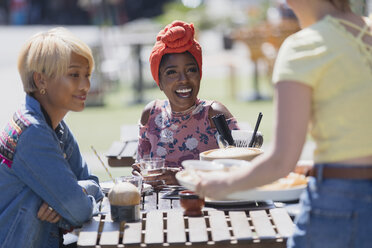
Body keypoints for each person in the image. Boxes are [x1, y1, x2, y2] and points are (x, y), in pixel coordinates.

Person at [196, 1, 372, 247]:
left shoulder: (303, 47)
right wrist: (317, 166)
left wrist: (218, 185)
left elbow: (281, 161)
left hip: (339, 204)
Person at [0, 27, 104, 248]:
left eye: (87, 75)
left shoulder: (57, 127)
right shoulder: (33, 133)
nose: (86, 85)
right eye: (74, 74)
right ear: (41, 81)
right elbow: (79, 210)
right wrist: (73, 199)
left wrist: (78, 193)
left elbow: (91, 183)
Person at [133, 20, 241, 184]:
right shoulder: (151, 115)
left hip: (208, 206)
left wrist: (181, 177)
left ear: (199, 74)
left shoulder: (214, 114)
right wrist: (139, 173)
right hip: (158, 206)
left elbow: (241, 169)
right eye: (172, 72)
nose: (183, 80)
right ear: (159, 82)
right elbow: (143, 167)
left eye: (191, 70)